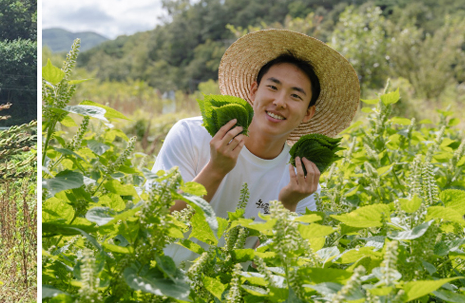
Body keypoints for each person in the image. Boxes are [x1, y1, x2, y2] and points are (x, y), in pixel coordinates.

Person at [153, 29, 361, 227]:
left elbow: (272, 263)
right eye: (273, 87)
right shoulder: (191, 134)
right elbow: (158, 218)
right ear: (254, 91)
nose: (280, 102)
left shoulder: (298, 181)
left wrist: (287, 205)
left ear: (308, 113)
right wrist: (216, 170)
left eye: (295, 96)